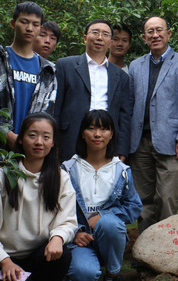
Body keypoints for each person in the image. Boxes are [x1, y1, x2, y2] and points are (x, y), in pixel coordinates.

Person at [0, 113, 77, 281]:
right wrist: (4, 261)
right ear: (20, 139)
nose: (39, 142)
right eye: (32, 135)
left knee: (62, 255)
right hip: (2, 259)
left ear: (53, 142)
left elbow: (67, 220)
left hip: (38, 256)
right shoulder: (1, 175)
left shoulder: (61, 178)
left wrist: (58, 237)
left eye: (46, 137)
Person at [129, 16, 178, 232]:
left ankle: (166, 247)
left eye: (159, 30)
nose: (155, 35)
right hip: (139, 143)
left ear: (169, 34)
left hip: (172, 143)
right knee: (143, 201)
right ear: (144, 38)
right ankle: (145, 246)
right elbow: (130, 103)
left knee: (167, 198)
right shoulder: (135, 66)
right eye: (150, 32)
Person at [63, 110, 142, 281]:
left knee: (109, 223)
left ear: (111, 134)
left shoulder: (121, 170)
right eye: (91, 128)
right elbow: (57, 209)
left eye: (104, 129)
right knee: (83, 273)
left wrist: (102, 215)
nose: (97, 134)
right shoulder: (68, 169)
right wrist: (74, 232)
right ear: (82, 133)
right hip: (80, 241)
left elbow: (134, 206)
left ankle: (112, 275)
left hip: (110, 238)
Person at [0, 1, 56, 149]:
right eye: (24, 22)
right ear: (13, 24)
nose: (29, 28)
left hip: (33, 150)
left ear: (40, 29)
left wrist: (30, 141)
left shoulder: (48, 70)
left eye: (35, 24)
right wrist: (7, 135)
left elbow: (47, 113)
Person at [54, 19, 131, 162]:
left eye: (105, 34)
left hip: (106, 140)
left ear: (110, 42)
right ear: (85, 38)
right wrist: (53, 140)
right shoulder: (65, 66)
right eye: (95, 32)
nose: (100, 37)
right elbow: (56, 106)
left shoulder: (121, 76)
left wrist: (122, 148)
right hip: (70, 137)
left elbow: (124, 116)